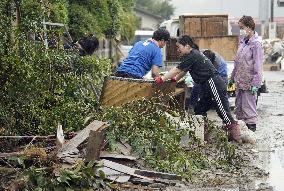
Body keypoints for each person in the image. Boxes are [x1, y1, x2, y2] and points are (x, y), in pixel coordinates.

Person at [155, 35, 241, 142]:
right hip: (206, 85)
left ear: (187, 46)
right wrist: (175, 79)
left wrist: (162, 79)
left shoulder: (193, 55)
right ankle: (203, 133)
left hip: (213, 83)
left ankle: (235, 134)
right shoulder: (192, 55)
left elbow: (177, 69)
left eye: (179, 47)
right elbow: (183, 71)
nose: (178, 50)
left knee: (222, 110)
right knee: (199, 109)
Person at [229, 15, 264, 132]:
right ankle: (242, 134)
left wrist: (256, 83)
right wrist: (232, 78)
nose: (240, 30)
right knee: (239, 107)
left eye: (242, 27)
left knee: (249, 108)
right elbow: (237, 61)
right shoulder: (243, 42)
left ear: (249, 27)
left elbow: (258, 65)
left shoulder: (256, 43)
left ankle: (251, 132)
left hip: (250, 82)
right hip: (240, 81)